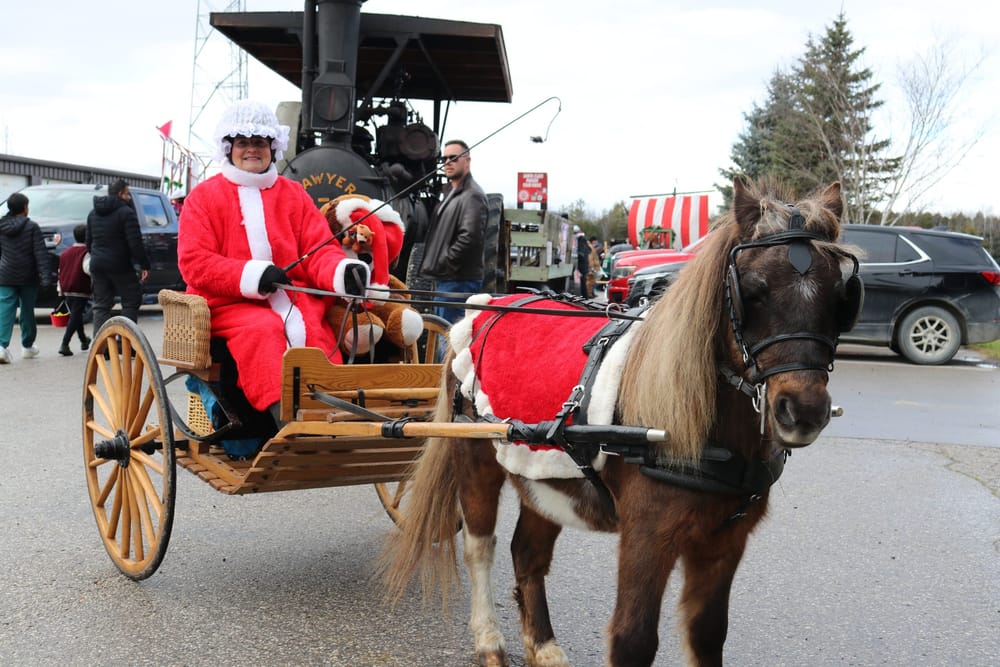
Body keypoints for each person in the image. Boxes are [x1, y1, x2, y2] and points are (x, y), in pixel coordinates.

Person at [178, 99, 370, 420]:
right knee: (265, 332)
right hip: (228, 305)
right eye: (243, 143)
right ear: (229, 148)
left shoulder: (294, 194)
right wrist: (252, 276)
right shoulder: (204, 197)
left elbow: (319, 249)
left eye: (260, 143)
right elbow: (194, 262)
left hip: (295, 301)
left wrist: (342, 271)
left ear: (273, 146)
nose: (252, 150)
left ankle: (334, 413)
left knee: (314, 333)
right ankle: (288, 420)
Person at [419, 139, 488, 324]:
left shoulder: (472, 195)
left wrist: (444, 262)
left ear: (467, 161)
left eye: (453, 158)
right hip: (448, 279)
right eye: (444, 158)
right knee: (444, 335)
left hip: (458, 280)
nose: (447, 163)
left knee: (449, 338)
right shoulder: (452, 193)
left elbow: (470, 238)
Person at [86, 179, 151, 335]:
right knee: (131, 300)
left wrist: (97, 255)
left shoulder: (93, 213)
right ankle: (125, 341)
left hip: (97, 264)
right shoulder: (126, 213)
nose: (129, 198)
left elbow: (88, 241)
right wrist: (144, 265)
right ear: (120, 193)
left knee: (101, 305)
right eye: (127, 194)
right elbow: (135, 243)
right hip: (120, 265)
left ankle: (101, 347)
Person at [0, 192, 50, 363]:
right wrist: (46, 277)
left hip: (5, 274)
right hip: (28, 276)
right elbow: (40, 253)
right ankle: (27, 346)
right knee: (27, 311)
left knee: (5, 310)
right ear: (24, 208)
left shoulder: (1, 226)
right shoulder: (32, 227)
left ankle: (1, 346)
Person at [56, 224, 92, 356]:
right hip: (80, 288)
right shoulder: (86, 252)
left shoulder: (65, 253)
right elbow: (87, 269)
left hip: (67, 288)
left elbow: (60, 272)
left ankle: (83, 340)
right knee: (76, 315)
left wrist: (60, 290)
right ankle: (65, 343)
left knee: (75, 315)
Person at [574, 225, 591, 297]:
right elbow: (589, 250)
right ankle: (585, 296)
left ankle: (585, 296)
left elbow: (582, 253)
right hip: (584, 264)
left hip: (582, 264)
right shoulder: (583, 240)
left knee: (583, 281)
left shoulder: (580, 240)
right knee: (583, 281)